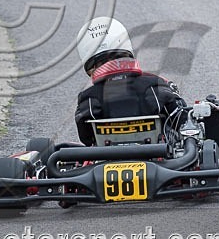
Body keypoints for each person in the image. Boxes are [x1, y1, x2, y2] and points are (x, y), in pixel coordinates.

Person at [74, 16, 185, 146]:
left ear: (90, 65)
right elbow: (181, 122)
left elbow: (86, 138)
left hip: (106, 161)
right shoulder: (156, 86)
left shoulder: (88, 99)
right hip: (159, 160)